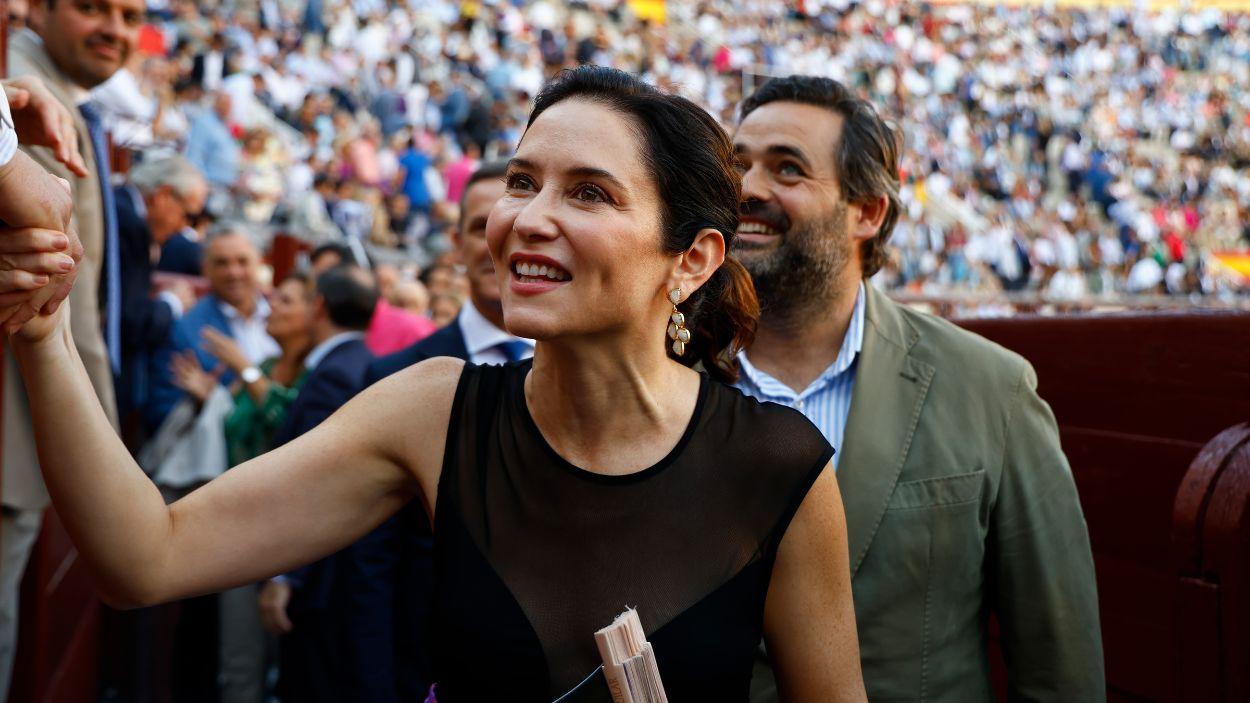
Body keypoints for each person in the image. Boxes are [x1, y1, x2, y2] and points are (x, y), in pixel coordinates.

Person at [9, 66, 865, 702]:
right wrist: (44, 333)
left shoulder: (780, 468)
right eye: (523, 182)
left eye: (589, 193)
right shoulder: (434, 411)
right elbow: (145, 555)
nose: (528, 217)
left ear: (693, 259)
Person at [732, 76, 1104, 702]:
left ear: (868, 212)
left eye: (787, 168)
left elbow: (1060, 668)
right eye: (738, 164)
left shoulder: (991, 388)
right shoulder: (664, 371)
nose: (747, 188)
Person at [341, 160, 530, 700]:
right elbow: (371, 564)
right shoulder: (397, 374)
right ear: (455, 243)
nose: (501, 240)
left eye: (519, 222)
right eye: (482, 226)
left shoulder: (592, 370)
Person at [3, 0, 141, 695]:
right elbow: (64, 304)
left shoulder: (42, 97)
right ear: (38, 8)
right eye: (91, 7)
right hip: (14, 434)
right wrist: (101, 452)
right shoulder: (20, 90)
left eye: (130, 15)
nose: (114, 29)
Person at [170, 271, 315, 703]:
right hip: (236, 525)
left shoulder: (314, 373)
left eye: (286, 301)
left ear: (314, 312)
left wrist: (242, 366)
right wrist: (209, 395)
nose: (272, 306)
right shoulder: (268, 366)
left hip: (286, 532)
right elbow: (236, 426)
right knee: (238, 654)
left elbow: (283, 422)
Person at [256, 265, 378, 703]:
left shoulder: (333, 374)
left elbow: (312, 482)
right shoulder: (360, 362)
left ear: (319, 307)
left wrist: (286, 576)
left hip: (321, 577)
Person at [145, 227, 279, 432]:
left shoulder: (282, 318)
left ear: (259, 263)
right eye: (222, 263)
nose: (234, 272)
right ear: (205, 268)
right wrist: (202, 403)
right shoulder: (185, 330)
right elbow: (161, 412)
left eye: (242, 261)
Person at [115, 155, 206, 418]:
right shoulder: (130, 223)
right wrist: (172, 302)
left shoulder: (122, 209)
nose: (183, 228)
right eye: (188, 216)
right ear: (164, 195)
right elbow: (128, 322)